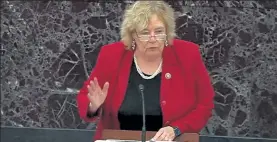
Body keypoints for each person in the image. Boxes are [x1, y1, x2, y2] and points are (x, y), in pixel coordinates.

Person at [77, 1, 214, 141]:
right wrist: (93, 106)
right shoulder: (111, 55)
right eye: (145, 33)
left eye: (159, 31)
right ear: (133, 36)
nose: (153, 39)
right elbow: (86, 95)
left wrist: (177, 129)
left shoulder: (188, 54)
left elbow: (205, 104)